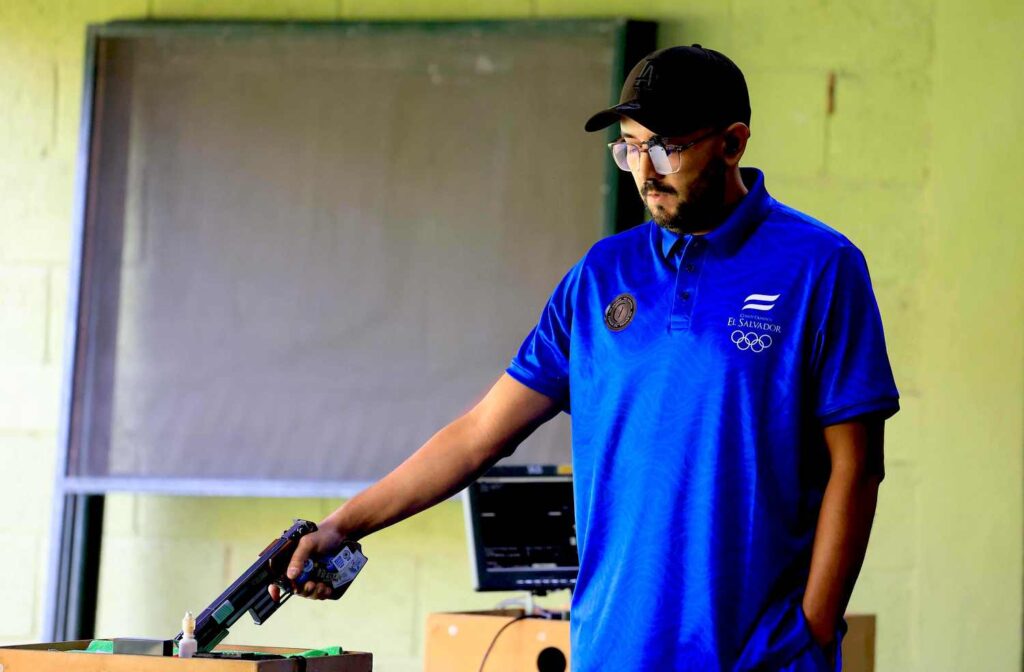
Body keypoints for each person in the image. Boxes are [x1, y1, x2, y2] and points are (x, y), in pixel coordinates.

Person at [273, 45, 899, 671]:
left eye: (666, 148)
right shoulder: (601, 275)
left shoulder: (820, 266)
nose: (645, 171)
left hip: (758, 657)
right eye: (630, 148)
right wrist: (343, 525)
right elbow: (476, 437)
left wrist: (812, 630)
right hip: (612, 652)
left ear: (732, 144)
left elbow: (857, 467)